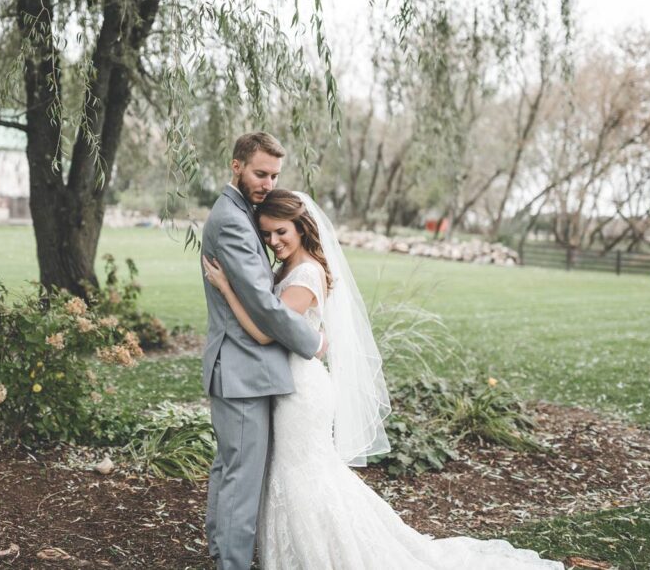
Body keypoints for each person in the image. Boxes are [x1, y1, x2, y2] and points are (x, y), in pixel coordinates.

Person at [202, 188, 565, 570]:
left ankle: (330, 554)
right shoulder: (291, 268)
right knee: (294, 473)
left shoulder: (305, 273)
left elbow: (264, 333)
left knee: (304, 476)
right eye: (268, 235)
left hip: (302, 393)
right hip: (288, 382)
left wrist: (226, 287)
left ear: (300, 226)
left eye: (281, 233)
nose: (274, 242)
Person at [200, 133, 327, 570]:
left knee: (231, 469)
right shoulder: (233, 220)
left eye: (274, 174)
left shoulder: (241, 213)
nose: (268, 183)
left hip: (241, 368)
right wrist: (312, 341)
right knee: (242, 478)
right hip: (241, 369)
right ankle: (231, 563)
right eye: (260, 173)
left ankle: (222, 554)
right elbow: (264, 304)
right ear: (236, 166)